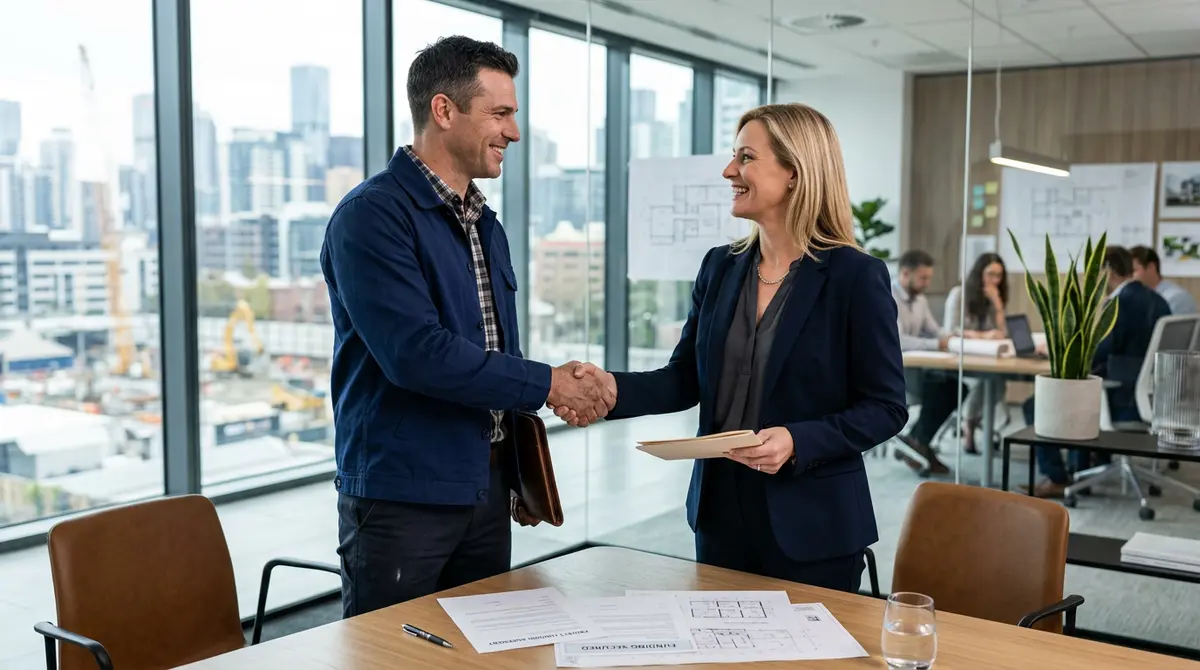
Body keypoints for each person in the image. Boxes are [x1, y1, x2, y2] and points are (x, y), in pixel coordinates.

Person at [553, 104, 908, 593]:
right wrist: (611, 388)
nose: (728, 171)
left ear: (794, 173)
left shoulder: (855, 277)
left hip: (813, 523)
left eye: (745, 157)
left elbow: (886, 407)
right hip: (720, 514)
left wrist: (798, 440)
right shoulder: (720, 267)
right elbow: (685, 379)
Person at [319, 36, 613, 618]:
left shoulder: (485, 222)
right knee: (393, 658)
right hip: (404, 498)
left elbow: (495, 351)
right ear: (444, 110)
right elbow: (418, 355)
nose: (514, 132)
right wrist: (550, 384)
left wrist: (517, 466)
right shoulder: (371, 218)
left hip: (484, 489)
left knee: (482, 651)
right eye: (500, 114)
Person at [1023, 245, 1171, 498]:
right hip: (1153, 397)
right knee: (1086, 389)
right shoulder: (1157, 300)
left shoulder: (1119, 305)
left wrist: (1062, 353)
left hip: (1123, 398)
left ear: (1108, 271)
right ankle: (1092, 466)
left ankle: (1058, 478)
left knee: (1038, 404)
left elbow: (1098, 353)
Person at [892, 250, 954, 473]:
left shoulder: (920, 299)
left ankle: (918, 440)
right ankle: (920, 443)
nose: (927, 283)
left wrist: (950, 338)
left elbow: (933, 331)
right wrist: (938, 345)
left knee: (956, 387)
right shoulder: (886, 296)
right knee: (941, 389)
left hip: (915, 369)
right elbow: (897, 341)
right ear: (905, 273)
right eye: (923, 278)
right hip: (894, 373)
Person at [942, 252, 1008, 454]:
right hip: (960, 359)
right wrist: (984, 336)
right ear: (979, 273)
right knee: (981, 382)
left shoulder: (992, 298)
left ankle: (972, 421)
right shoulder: (959, 295)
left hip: (985, 358)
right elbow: (951, 330)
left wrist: (997, 305)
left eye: (999, 275)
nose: (994, 280)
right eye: (990, 274)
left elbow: (1003, 333)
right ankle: (969, 428)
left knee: (998, 382)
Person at [1130, 245, 1197, 315]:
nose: (1129, 277)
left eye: (1133, 271)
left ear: (1151, 267)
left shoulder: (1175, 298)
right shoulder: (1136, 298)